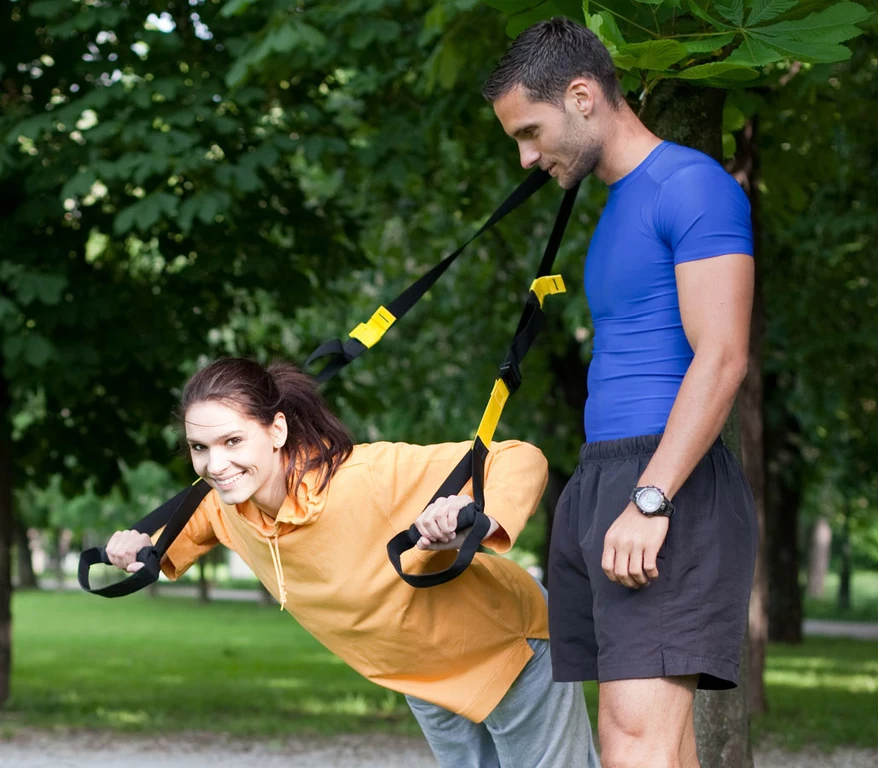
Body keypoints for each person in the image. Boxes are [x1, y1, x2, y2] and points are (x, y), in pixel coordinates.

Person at [482, 17, 758, 768]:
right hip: (605, 476)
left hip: (665, 486)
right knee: (652, 745)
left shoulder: (691, 185)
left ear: (582, 96)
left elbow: (723, 356)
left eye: (531, 132)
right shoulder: (613, 209)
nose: (526, 157)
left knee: (633, 742)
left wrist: (651, 498)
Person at [104, 357, 599, 768]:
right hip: (421, 676)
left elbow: (518, 457)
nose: (215, 465)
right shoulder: (224, 506)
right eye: (200, 448)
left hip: (508, 650)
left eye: (233, 441)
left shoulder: (365, 477)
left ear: (276, 429)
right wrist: (132, 550)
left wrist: (478, 519)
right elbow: (161, 545)